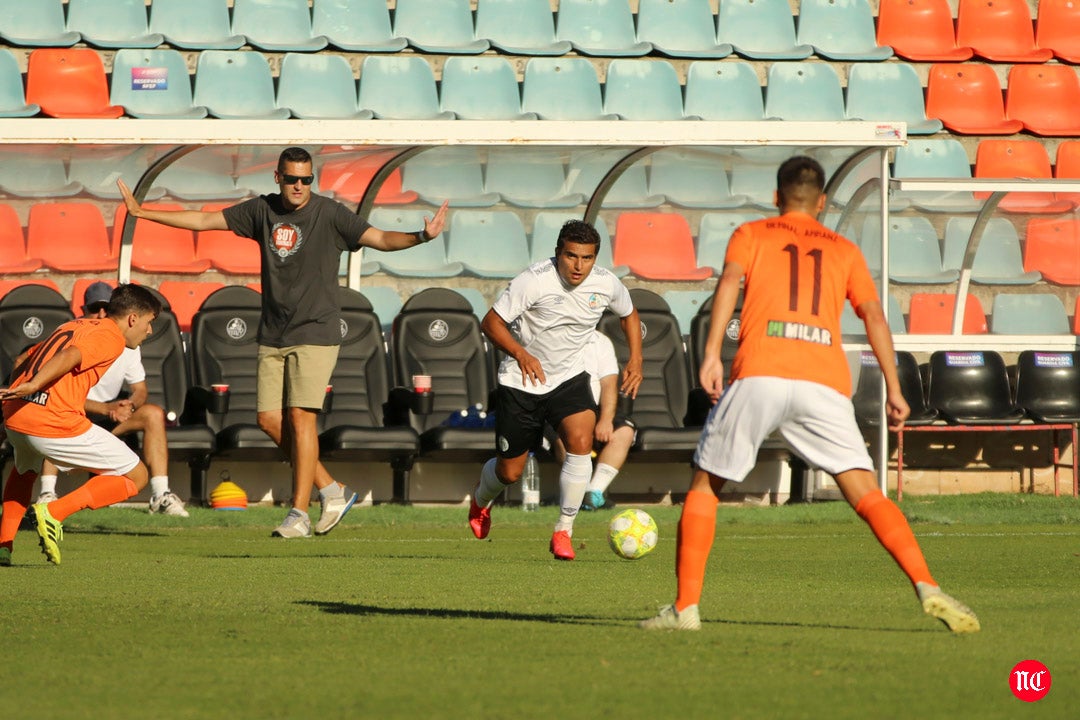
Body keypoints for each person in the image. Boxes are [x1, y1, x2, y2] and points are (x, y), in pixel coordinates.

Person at [640, 156, 980, 633]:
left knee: (705, 487)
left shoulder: (752, 234)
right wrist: (895, 386)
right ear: (822, 203)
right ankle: (927, 585)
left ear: (777, 197)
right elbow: (875, 318)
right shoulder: (843, 249)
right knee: (866, 492)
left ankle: (685, 609)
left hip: (760, 371)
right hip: (822, 380)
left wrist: (712, 352)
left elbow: (729, 283)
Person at [117, 147, 448, 539]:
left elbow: (379, 238)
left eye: (306, 179)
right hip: (273, 332)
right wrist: (144, 213)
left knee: (299, 417)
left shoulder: (330, 213)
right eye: (292, 178)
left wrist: (421, 236)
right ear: (278, 177)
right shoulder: (261, 210)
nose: (299, 186)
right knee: (267, 420)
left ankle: (298, 513)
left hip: (316, 331)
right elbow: (205, 220)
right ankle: (332, 489)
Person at [470, 220, 643, 560]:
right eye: (571, 256)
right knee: (510, 471)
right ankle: (480, 500)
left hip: (569, 378)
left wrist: (636, 358)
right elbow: (490, 323)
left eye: (587, 258)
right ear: (558, 253)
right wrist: (520, 353)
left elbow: (629, 313)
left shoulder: (606, 283)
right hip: (522, 382)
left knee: (581, 441)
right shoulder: (533, 281)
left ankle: (564, 530)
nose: (579, 266)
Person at [0, 284, 161, 566]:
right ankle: (55, 512)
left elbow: (23, 358)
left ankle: (3, 546)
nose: (149, 332)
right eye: (149, 323)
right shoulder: (110, 336)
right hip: (51, 421)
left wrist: (23, 390)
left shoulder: (74, 324)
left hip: (17, 417)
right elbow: (70, 356)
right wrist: (36, 384)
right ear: (133, 319)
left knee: (24, 471)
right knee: (137, 476)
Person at [36, 282, 188, 517]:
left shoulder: (127, 344)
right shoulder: (82, 335)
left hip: (107, 415)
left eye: (105, 309)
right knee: (58, 416)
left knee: (152, 414)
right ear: (82, 310)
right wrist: (105, 408)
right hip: (72, 413)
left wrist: (129, 405)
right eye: (94, 309)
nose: (100, 314)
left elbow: (140, 389)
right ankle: (47, 495)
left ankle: (161, 494)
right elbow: (61, 391)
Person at [550, 330, 636, 512]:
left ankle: (593, 492)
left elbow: (609, 384)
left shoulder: (600, 341)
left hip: (596, 408)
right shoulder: (551, 337)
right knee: (568, 436)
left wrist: (605, 419)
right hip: (558, 408)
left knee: (624, 431)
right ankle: (579, 492)